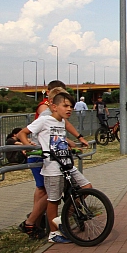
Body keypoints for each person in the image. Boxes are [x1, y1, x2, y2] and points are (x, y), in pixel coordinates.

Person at [17, 92, 93, 243]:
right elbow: (22, 133)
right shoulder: (44, 120)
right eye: (65, 106)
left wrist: (72, 145)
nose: (69, 109)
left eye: (71, 106)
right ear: (54, 106)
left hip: (66, 163)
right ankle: (54, 233)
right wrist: (27, 144)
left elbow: (58, 141)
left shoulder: (62, 122)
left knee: (86, 187)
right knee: (54, 200)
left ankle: (63, 219)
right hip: (52, 166)